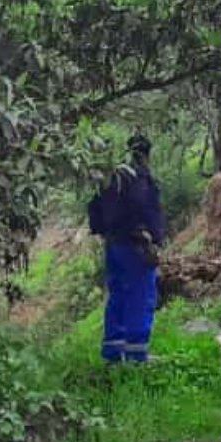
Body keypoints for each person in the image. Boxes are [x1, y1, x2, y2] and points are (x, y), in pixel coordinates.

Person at [88, 132, 167, 364]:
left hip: (114, 246)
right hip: (136, 246)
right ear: (146, 153)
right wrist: (156, 238)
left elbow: (93, 206)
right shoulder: (139, 177)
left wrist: (104, 231)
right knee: (140, 297)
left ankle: (113, 352)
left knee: (118, 295)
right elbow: (148, 210)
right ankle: (136, 356)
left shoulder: (112, 176)